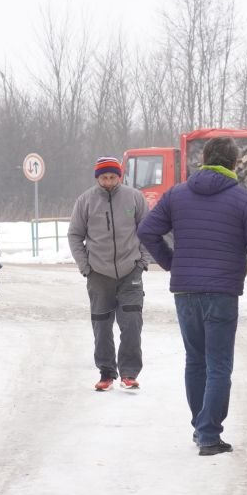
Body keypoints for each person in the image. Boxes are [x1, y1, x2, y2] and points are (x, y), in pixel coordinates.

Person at [137, 136, 247, 456]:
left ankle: (199, 425)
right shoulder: (244, 200)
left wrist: (172, 263)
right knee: (218, 365)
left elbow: (147, 230)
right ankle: (208, 433)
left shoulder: (176, 195)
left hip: (185, 290)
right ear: (234, 163)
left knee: (195, 360)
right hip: (222, 292)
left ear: (203, 159)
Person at [68, 156, 150, 391]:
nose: (108, 181)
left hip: (130, 271)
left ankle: (129, 372)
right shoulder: (85, 201)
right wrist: (85, 266)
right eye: (104, 177)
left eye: (112, 177)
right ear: (97, 178)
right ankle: (106, 373)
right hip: (98, 273)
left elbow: (147, 229)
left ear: (120, 176)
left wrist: (142, 261)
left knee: (132, 323)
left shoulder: (135, 197)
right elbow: (75, 235)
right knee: (102, 326)